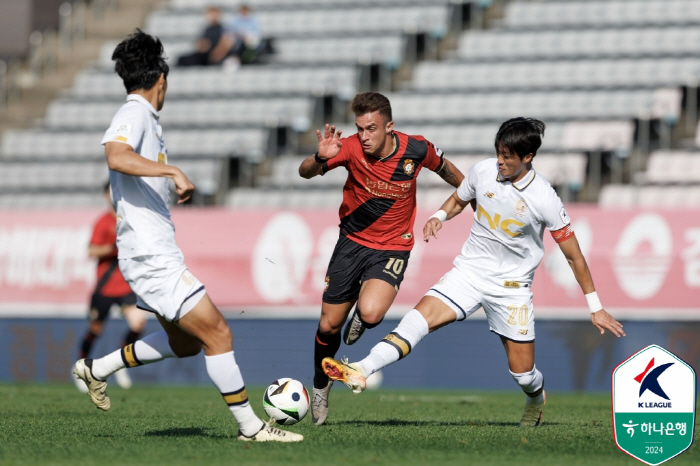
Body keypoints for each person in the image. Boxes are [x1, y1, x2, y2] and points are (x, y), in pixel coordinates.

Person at [72, 29, 302, 443]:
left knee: (186, 344)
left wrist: (163, 189)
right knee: (218, 333)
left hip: (149, 252)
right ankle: (251, 428)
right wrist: (172, 171)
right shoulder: (136, 113)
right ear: (162, 78)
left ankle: (96, 368)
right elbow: (115, 154)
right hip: (150, 256)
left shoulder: (145, 117)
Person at [321, 117, 626, 427]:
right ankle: (361, 368)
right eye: (499, 152)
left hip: (511, 287)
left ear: (528, 157)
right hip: (469, 272)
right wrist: (440, 216)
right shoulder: (483, 171)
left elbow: (574, 256)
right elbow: (459, 198)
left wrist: (595, 307)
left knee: (522, 373)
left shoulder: (544, 198)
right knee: (417, 320)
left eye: (508, 156)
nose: (501, 161)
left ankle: (536, 398)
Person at [298, 92, 465, 425]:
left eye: (371, 128)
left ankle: (362, 315)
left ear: (389, 126)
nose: (364, 136)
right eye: (359, 128)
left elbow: (446, 169)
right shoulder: (348, 147)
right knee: (329, 325)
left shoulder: (416, 149)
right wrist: (318, 158)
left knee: (372, 314)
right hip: (351, 242)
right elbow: (304, 172)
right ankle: (320, 386)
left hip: (393, 245)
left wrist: (476, 191)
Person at [73, 182, 146, 392]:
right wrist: (113, 248)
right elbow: (91, 250)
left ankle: (120, 363)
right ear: (106, 195)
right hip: (105, 286)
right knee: (95, 329)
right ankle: (81, 369)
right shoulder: (103, 222)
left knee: (138, 323)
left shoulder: (133, 219)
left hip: (126, 285)